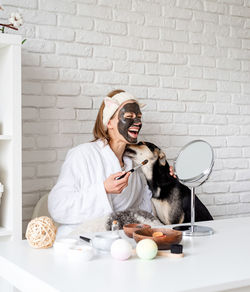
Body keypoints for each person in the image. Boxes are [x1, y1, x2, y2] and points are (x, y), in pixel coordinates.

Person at [48, 89, 155, 237]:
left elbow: (144, 210)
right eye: (129, 116)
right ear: (109, 122)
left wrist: (163, 181)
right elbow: (58, 207)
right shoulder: (82, 155)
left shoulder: (134, 164)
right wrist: (103, 189)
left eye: (139, 117)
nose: (137, 122)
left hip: (119, 243)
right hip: (80, 242)